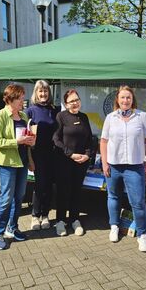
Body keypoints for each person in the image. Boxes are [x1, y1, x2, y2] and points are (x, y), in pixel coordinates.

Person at [100, 85, 146, 252]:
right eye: (122, 97)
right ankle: (114, 226)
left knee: (137, 202)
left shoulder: (142, 117)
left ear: (132, 100)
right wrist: (104, 162)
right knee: (113, 197)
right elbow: (103, 141)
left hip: (134, 167)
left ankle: (142, 235)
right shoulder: (110, 117)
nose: (125, 100)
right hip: (114, 165)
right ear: (117, 99)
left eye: (128, 97)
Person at [0, 84, 35, 250]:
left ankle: (12, 227)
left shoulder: (23, 116)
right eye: (20, 98)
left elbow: (26, 141)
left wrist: (30, 143)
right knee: (6, 198)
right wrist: (17, 141)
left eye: (23, 97)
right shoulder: (0, 116)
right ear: (10, 99)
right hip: (7, 163)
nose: (23, 101)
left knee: (19, 196)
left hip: (22, 161)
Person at [53, 89, 93, 236]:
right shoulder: (61, 116)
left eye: (77, 100)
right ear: (65, 103)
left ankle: (75, 219)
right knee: (63, 191)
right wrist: (70, 154)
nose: (75, 103)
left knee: (76, 191)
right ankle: (60, 221)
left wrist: (87, 155)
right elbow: (56, 139)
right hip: (64, 161)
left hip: (81, 162)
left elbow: (89, 139)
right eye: (72, 101)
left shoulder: (84, 117)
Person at [26, 80, 60, 231]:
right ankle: (35, 216)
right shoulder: (30, 111)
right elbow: (24, 135)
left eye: (45, 91)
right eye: (40, 91)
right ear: (36, 93)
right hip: (37, 154)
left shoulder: (54, 110)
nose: (43, 94)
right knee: (40, 185)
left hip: (53, 154)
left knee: (49, 186)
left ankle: (45, 215)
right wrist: (29, 158)